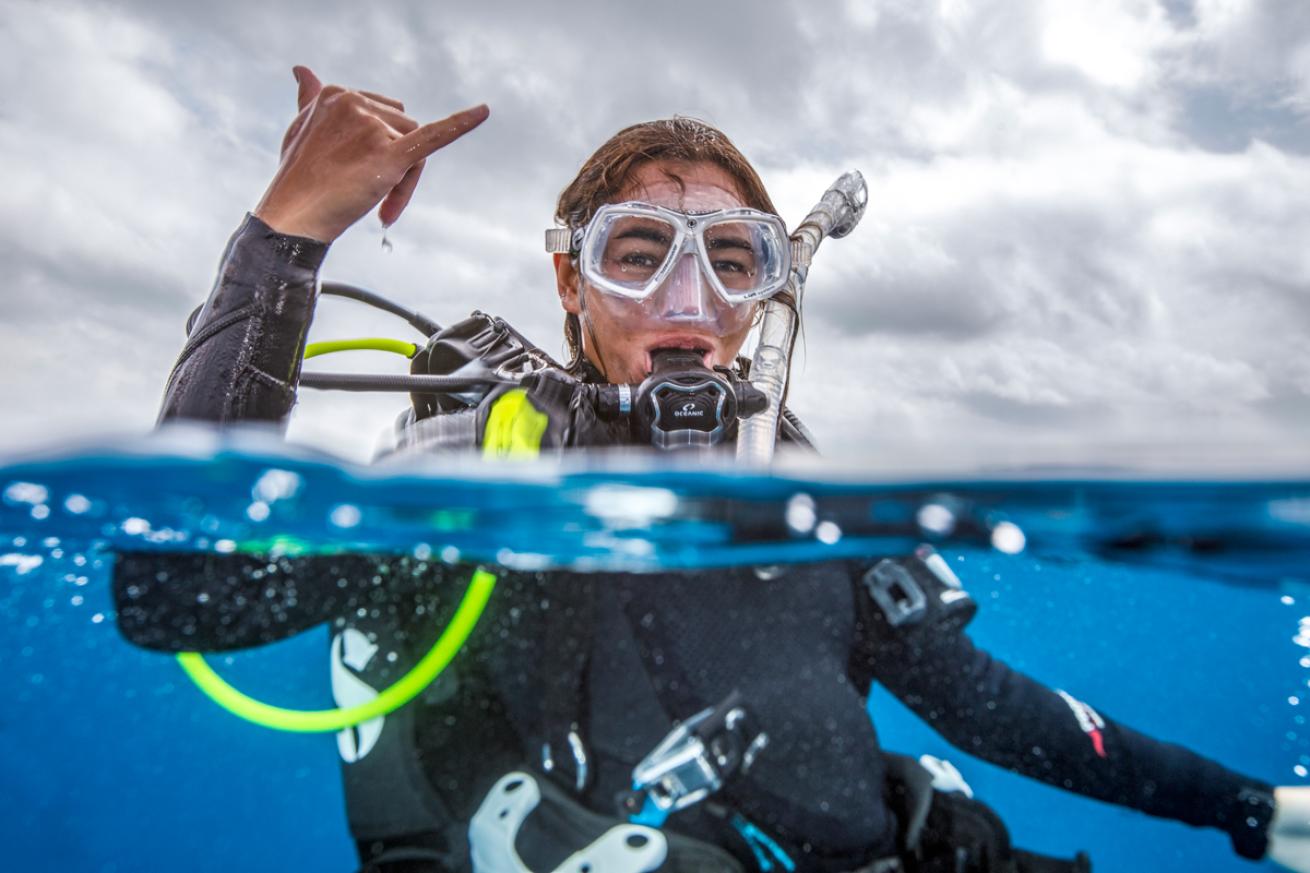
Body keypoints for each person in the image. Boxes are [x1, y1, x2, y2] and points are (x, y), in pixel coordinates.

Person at [113, 66, 1310, 872]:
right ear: (570, 283)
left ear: (764, 295)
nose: (688, 306)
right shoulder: (486, 466)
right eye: (637, 255)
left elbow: (987, 704)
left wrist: (1248, 811)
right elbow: (171, 597)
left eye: (730, 262)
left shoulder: (801, 492)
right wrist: (288, 235)